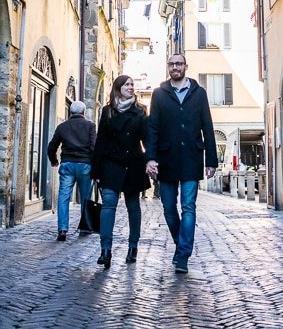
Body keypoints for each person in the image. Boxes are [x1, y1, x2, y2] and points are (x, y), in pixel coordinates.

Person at [145, 53, 217, 274]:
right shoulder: (159, 94)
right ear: (168, 67)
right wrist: (150, 157)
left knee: (188, 207)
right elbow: (153, 127)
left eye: (178, 63)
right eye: (171, 64)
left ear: (186, 66)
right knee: (168, 209)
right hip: (166, 160)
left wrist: (211, 160)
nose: (175, 67)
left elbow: (207, 126)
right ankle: (181, 245)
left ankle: (183, 254)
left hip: (192, 159)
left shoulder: (199, 93)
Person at [91, 75, 150, 269]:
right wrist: (96, 168)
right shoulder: (108, 111)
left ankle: (133, 246)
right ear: (118, 88)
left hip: (133, 164)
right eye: (127, 84)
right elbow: (101, 140)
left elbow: (146, 139)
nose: (131, 87)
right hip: (111, 164)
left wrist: (151, 159)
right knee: (109, 204)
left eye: (132, 85)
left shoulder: (140, 111)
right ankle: (105, 250)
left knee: (133, 206)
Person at [46, 100, 96, 241]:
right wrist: (95, 163)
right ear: (83, 112)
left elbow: (52, 146)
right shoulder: (90, 126)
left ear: (70, 112)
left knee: (63, 197)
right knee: (85, 197)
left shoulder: (62, 127)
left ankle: (62, 229)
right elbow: (94, 146)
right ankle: (85, 227)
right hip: (85, 164)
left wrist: (54, 160)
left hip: (67, 164)